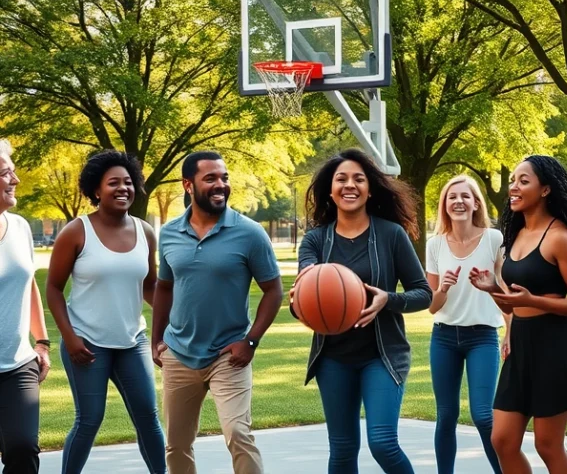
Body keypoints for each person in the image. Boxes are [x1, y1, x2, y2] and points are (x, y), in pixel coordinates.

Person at [292, 148, 433, 474]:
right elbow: (307, 290)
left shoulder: (391, 234)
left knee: (383, 442)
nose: (350, 185)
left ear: (370, 188)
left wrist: (388, 299)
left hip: (381, 357)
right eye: (341, 179)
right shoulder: (315, 240)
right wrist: (299, 300)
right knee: (342, 450)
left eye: (359, 178)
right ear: (331, 189)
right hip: (333, 359)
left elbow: (424, 293)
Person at [152, 151, 283, 474]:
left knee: (239, 434)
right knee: (177, 443)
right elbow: (164, 287)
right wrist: (157, 339)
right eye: (210, 178)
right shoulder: (169, 233)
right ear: (188, 185)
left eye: (224, 178)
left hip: (229, 353)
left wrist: (250, 342)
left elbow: (273, 290)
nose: (220, 185)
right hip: (179, 354)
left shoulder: (249, 233)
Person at [469, 155, 567, 474]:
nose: (514, 186)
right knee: (503, 440)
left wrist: (537, 301)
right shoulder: (516, 235)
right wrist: (492, 289)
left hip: (555, 345)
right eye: (513, 180)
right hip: (522, 342)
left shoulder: (560, 238)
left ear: (545, 190)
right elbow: (514, 304)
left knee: (548, 445)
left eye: (523, 181)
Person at [46, 150, 166, 474]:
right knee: (89, 420)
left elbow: (150, 285)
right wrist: (70, 339)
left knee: (148, 417)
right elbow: (53, 290)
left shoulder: (146, 232)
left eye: (128, 182)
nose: (123, 188)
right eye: (114, 183)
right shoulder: (76, 231)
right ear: (96, 190)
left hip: (132, 340)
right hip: (87, 343)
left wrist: (171, 325)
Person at [426, 175, 508, 474]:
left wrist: (510, 331)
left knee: (484, 415)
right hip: (444, 338)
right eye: (452, 197)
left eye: (465, 196)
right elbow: (432, 306)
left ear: (476, 203)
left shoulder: (493, 239)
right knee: (446, 416)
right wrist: (443, 290)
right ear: (444, 206)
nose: (458, 201)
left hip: (483, 336)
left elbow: (505, 291)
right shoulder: (435, 245)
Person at [0, 139, 51, 474]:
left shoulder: (19, 227)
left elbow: (29, 282)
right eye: (7, 173)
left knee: (22, 450)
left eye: (13, 171)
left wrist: (42, 343)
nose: (15, 179)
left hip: (18, 364)